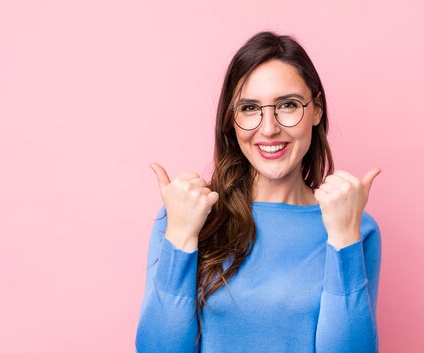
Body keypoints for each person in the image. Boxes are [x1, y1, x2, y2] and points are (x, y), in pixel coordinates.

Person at [135, 31, 382, 353]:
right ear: (231, 120)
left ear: (316, 110)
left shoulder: (357, 227)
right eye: (250, 108)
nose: (268, 128)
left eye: (288, 105)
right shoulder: (184, 214)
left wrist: (344, 238)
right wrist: (181, 235)